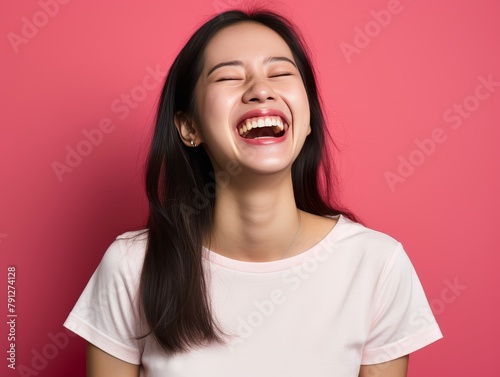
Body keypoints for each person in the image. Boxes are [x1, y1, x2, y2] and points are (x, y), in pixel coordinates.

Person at [64, 9, 442, 377]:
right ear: (188, 127)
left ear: (308, 118)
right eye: (229, 77)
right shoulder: (132, 267)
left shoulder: (377, 265)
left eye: (280, 73)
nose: (261, 90)